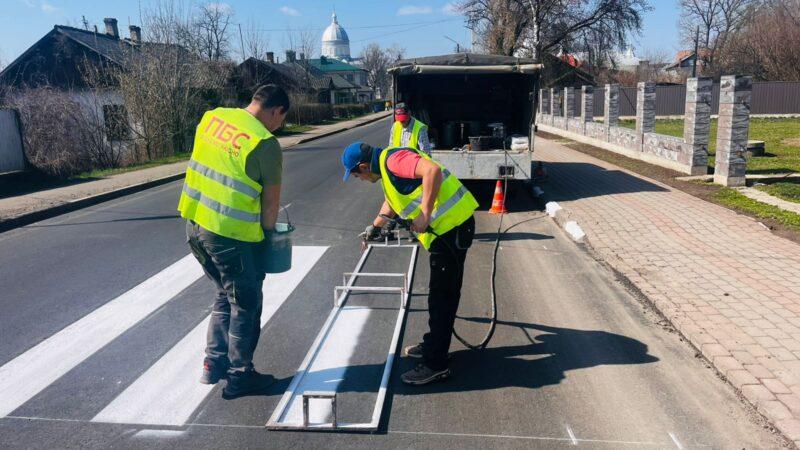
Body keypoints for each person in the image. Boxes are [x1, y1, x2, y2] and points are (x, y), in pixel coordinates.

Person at [177, 84, 289, 398]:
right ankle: (240, 375)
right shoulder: (265, 143)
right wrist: (268, 241)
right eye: (281, 120)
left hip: (195, 225)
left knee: (224, 294)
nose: (279, 126)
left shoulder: (212, 118)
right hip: (229, 237)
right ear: (276, 111)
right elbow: (270, 206)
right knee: (247, 303)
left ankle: (213, 363)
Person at [341, 141, 477, 385]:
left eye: (356, 175)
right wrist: (375, 227)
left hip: (453, 229)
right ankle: (433, 345)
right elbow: (392, 203)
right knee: (439, 295)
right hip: (447, 232)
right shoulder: (386, 168)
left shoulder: (393, 160)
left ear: (363, 167)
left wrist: (424, 214)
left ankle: (436, 364)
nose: (359, 180)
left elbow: (432, 171)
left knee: (442, 298)